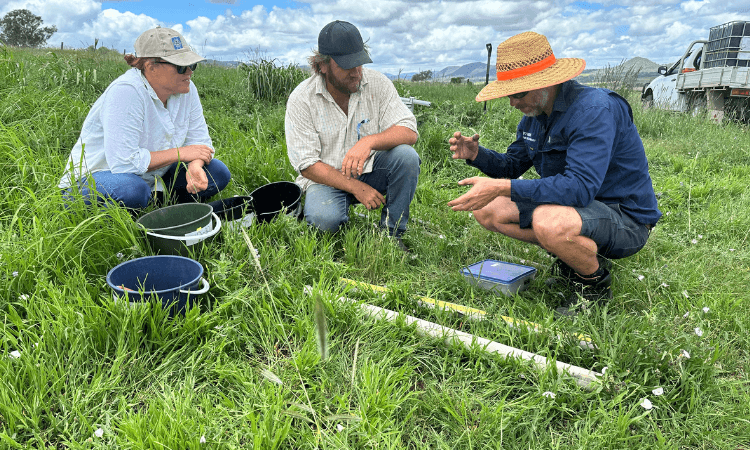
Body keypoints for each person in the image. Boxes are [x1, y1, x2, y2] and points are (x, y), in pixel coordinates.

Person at [448, 31, 662, 316]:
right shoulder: (534, 118)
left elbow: (579, 188)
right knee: (487, 209)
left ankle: (593, 288)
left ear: (545, 83)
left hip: (624, 217)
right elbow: (512, 165)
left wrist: (502, 188)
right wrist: (477, 154)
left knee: (546, 221)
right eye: (508, 94)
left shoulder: (595, 110)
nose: (512, 102)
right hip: (579, 209)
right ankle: (571, 257)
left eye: (517, 93)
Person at [59, 26, 231, 210]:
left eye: (192, 65)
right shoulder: (126, 91)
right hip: (99, 177)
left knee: (218, 173)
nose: (189, 71)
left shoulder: (187, 89)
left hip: (152, 175)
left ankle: (157, 203)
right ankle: (139, 204)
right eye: (181, 67)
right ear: (151, 67)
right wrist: (181, 153)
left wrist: (195, 165)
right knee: (132, 190)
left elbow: (200, 144)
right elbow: (124, 162)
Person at [285, 20, 420, 249]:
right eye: (347, 66)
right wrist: (356, 187)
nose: (357, 72)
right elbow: (307, 164)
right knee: (324, 221)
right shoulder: (302, 99)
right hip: (324, 179)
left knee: (406, 157)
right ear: (323, 65)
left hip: (370, 169)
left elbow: (409, 130)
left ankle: (391, 233)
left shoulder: (377, 83)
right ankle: (329, 213)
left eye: (359, 63)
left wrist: (369, 141)